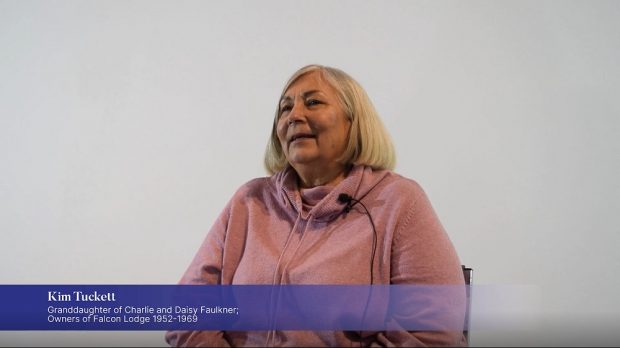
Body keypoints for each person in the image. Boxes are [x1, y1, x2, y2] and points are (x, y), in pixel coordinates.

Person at [166, 65, 467, 347]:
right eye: (285, 107)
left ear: (354, 120)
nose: (293, 115)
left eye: (313, 103)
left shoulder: (399, 201)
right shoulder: (249, 200)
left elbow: (432, 332)